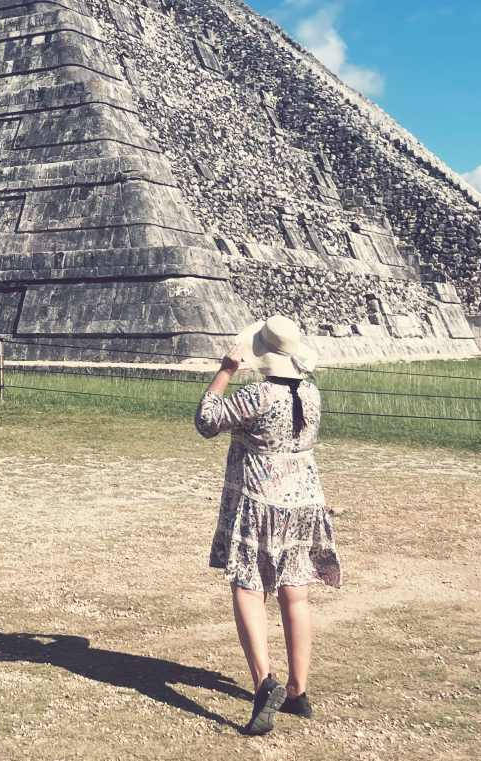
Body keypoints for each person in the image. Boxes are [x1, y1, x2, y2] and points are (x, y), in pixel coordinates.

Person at [195, 315, 341, 736]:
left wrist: (225, 370)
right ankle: (298, 689)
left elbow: (206, 420)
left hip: (261, 500)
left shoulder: (257, 396)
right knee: (295, 593)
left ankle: (264, 682)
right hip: (304, 500)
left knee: (248, 585)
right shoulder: (310, 394)